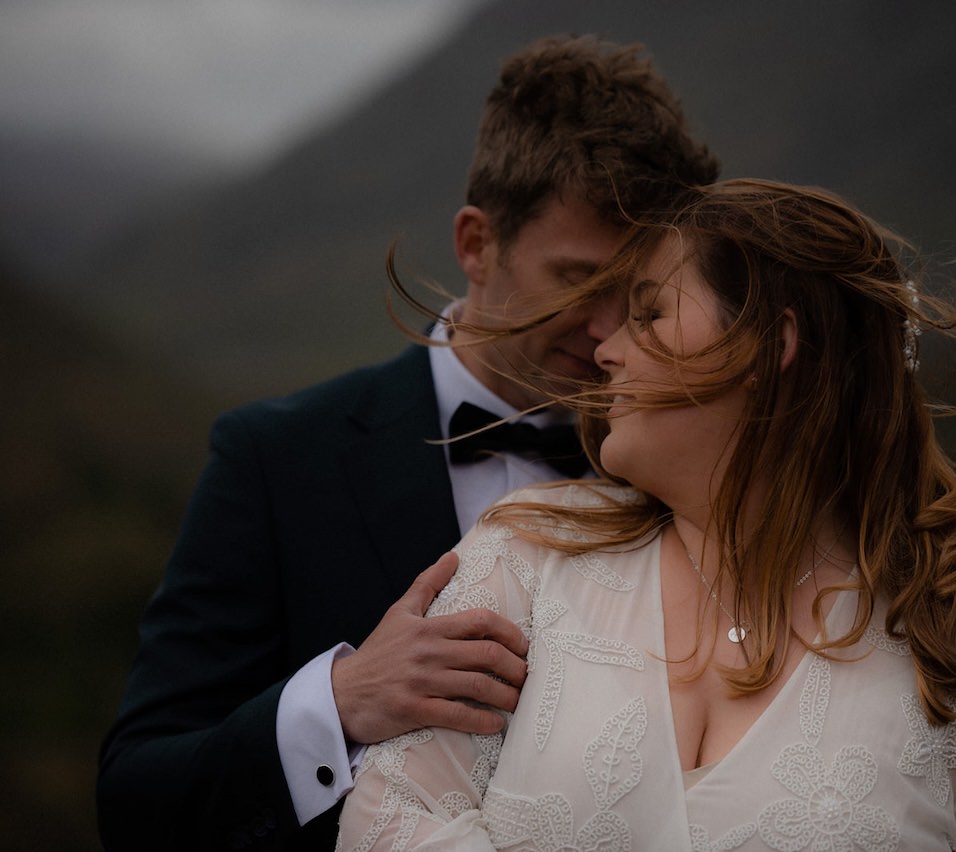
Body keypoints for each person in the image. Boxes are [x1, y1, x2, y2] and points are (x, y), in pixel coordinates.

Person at [335, 179, 956, 850]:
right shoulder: (523, 557)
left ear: (772, 347)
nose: (606, 350)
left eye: (650, 314)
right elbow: (394, 817)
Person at [96, 35, 719, 852]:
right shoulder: (275, 460)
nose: (608, 333)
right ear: (475, 243)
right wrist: (340, 699)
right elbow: (135, 799)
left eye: (635, 297)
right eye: (579, 280)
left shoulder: (681, 470)